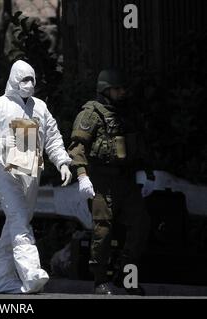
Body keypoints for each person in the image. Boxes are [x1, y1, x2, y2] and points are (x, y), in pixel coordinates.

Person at [0, 60, 72, 294]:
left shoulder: (40, 108)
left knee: (16, 222)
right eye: (23, 80)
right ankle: (31, 272)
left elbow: (53, 138)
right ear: (13, 80)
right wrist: (3, 144)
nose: (28, 84)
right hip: (5, 172)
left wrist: (62, 161)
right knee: (18, 219)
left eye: (31, 80)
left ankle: (3, 280)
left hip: (31, 173)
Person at [68, 69, 152, 295]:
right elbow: (77, 147)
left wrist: (145, 169)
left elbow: (138, 143)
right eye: (118, 89)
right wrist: (82, 176)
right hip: (101, 181)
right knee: (102, 230)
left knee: (141, 224)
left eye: (123, 89)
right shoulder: (91, 114)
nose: (122, 93)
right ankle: (99, 281)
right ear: (106, 90)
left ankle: (126, 275)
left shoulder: (125, 113)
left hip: (126, 180)